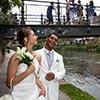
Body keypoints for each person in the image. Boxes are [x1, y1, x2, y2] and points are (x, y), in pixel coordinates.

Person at [6, 27, 46, 100]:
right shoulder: (16, 57)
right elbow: (9, 83)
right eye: (33, 35)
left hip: (34, 94)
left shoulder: (38, 57)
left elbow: (36, 78)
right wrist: (28, 71)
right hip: (20, 96)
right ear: (26, 39)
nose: (36, 37)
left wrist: (42, 88)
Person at [36, 32, 66, 100]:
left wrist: (54, 75)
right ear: (46, 39)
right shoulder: (36, 53)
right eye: (52, 38)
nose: (53, 41)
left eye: (56, 40)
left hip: (53, 91)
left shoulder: (59, 57)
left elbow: (63, 71)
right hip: (39, 90)